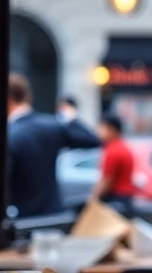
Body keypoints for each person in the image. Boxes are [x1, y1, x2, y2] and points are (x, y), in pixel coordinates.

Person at [6, 74, 99, 217]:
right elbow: (92, 140)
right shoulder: (52, 125)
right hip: (53, 214)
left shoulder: (9, 134)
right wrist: (71, 117)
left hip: (22, 217)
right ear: (27, 96)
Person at [90, 114, 139, 216]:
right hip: (127, 198)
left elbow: (106, 181)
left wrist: (93, 198)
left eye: (101, 128)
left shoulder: (112, 151)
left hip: (116, 199)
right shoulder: (124, 148)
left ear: (111, 129)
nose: (99, 132)